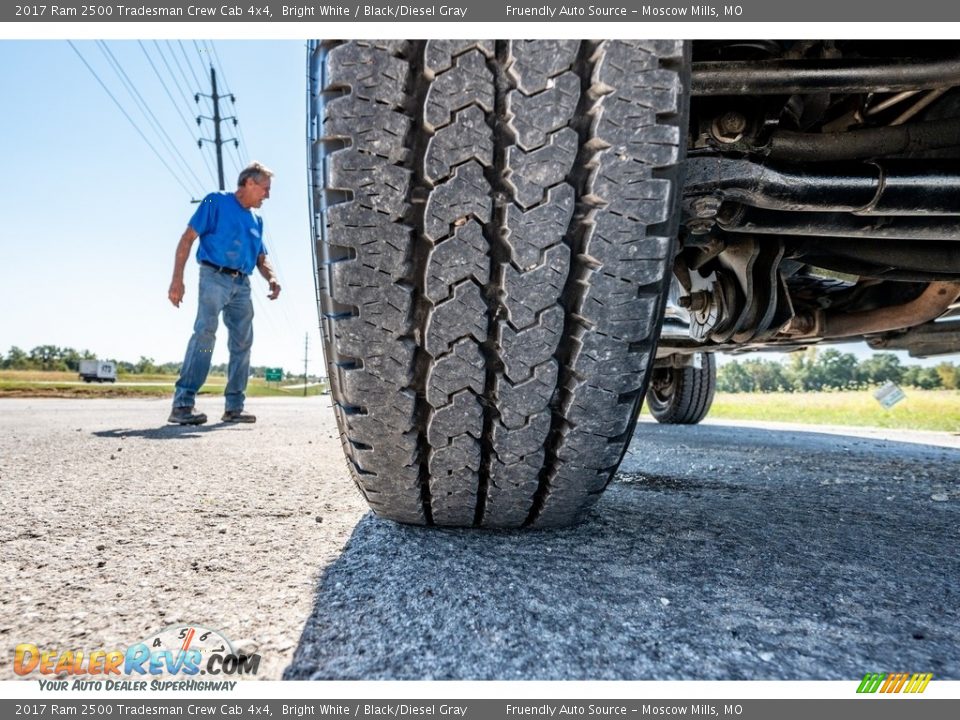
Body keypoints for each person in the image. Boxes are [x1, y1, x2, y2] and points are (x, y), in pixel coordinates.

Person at [167, 161, 281, 425]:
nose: (268, 195)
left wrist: (272, 278)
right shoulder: (214, 202)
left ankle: (234, 407)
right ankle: (183, 403)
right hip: (213, 277)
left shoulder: (257, 220)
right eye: (265, 189)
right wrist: (177, 279)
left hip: (242, 285)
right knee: (205, 336)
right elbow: (187, 238)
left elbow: (261, 258)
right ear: (249, 183)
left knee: (242, 344)